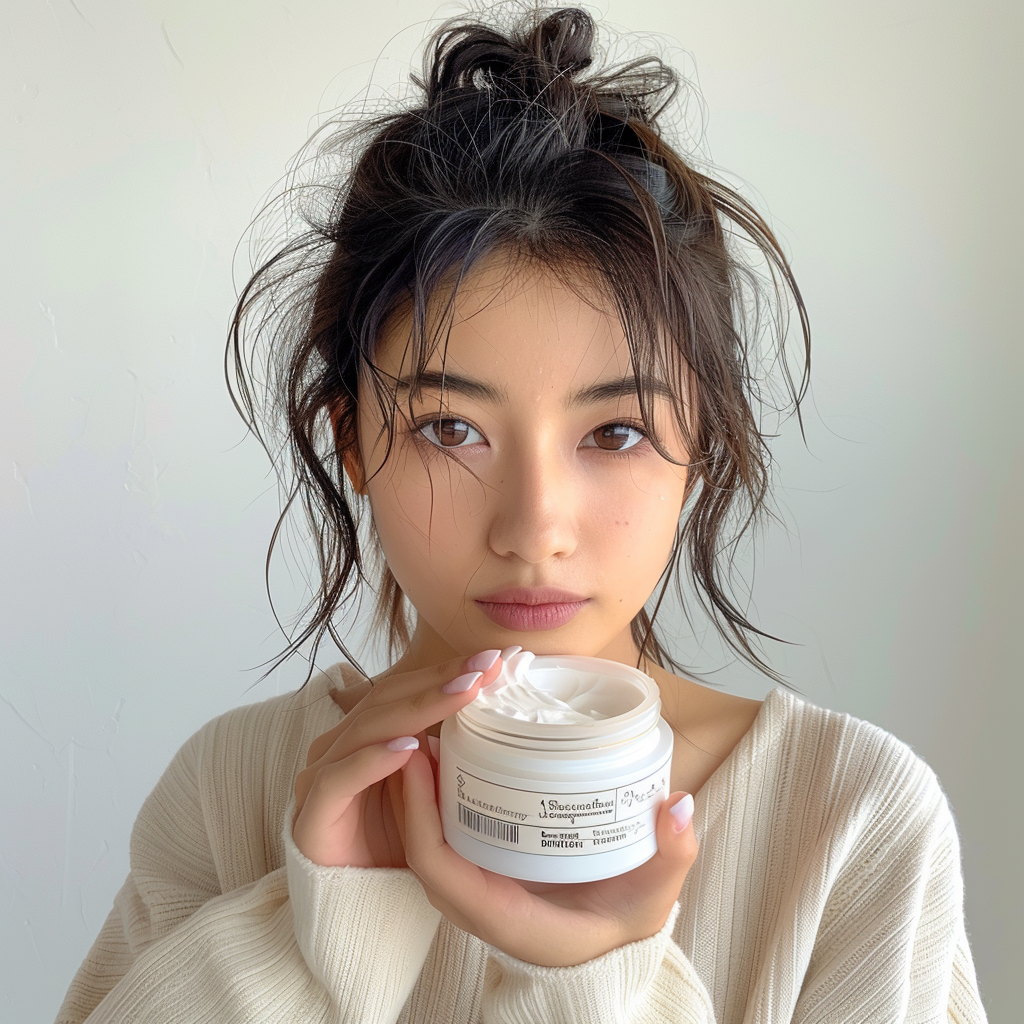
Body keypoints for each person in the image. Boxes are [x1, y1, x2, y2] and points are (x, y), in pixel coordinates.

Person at [55, 5, 987, 1022]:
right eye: (451, 429)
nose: (533, 527)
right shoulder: (232, 791)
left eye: (615, 433)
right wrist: (306, 928)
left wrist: (591, 978)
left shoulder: (848, 823)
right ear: (352, 442)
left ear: (701, 449)